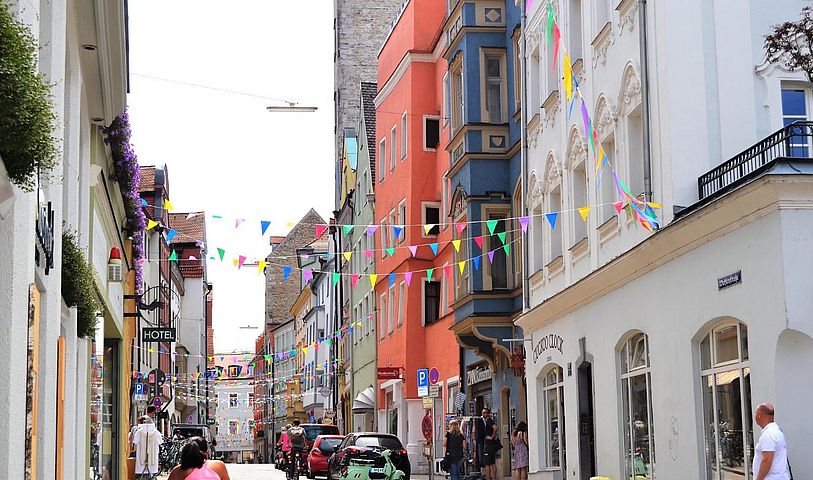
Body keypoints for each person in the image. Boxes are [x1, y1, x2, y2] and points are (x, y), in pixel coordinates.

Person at [753, 403, 791, 480]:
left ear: (759, 414)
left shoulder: (769, 434)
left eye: (755, 413)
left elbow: (766, 460)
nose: (755, 416)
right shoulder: (776, 430)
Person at [475, 408, 498, 480]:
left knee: (487, 464)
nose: (483, 414)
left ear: (488, 413)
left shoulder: (489, 420)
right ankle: (493, 478)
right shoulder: (486, 421)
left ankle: (489, 478)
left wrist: (491, 437)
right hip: (490, 445)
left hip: (488, 445)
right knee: (492, 463)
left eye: (484, 412)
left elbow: (495, 428)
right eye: (482, 412)